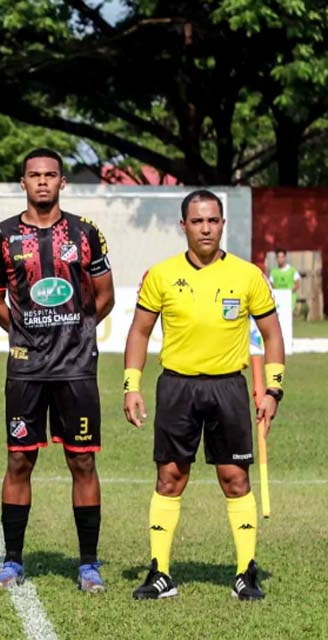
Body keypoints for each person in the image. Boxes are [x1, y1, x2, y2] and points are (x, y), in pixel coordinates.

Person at [124, 189, 285, 601]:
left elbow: (271, 334)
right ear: (184, 226)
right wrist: (132, 385)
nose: (206, 228)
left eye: (212, 220)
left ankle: (245, 572)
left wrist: (273, 388)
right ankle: (160, 571)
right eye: (197, 221)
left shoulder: (248, 275)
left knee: (235, 479)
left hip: (228, 388)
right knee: (170, 477)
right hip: (177, 387)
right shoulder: (160, 274)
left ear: (223, 224)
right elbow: (140, 331)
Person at [0, 148, 114, 593]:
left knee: (82, 461)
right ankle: (13, 561)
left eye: (50, 175)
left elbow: (105, 294)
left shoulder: (86, 232)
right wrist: (22, 330)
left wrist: (76, 328)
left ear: (62, 182)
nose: (42, 182)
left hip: (76, 367)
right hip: (26, 368)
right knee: (19, 459)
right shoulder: (1, 236)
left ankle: (89, 565)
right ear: (23, 182)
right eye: (34, 175)